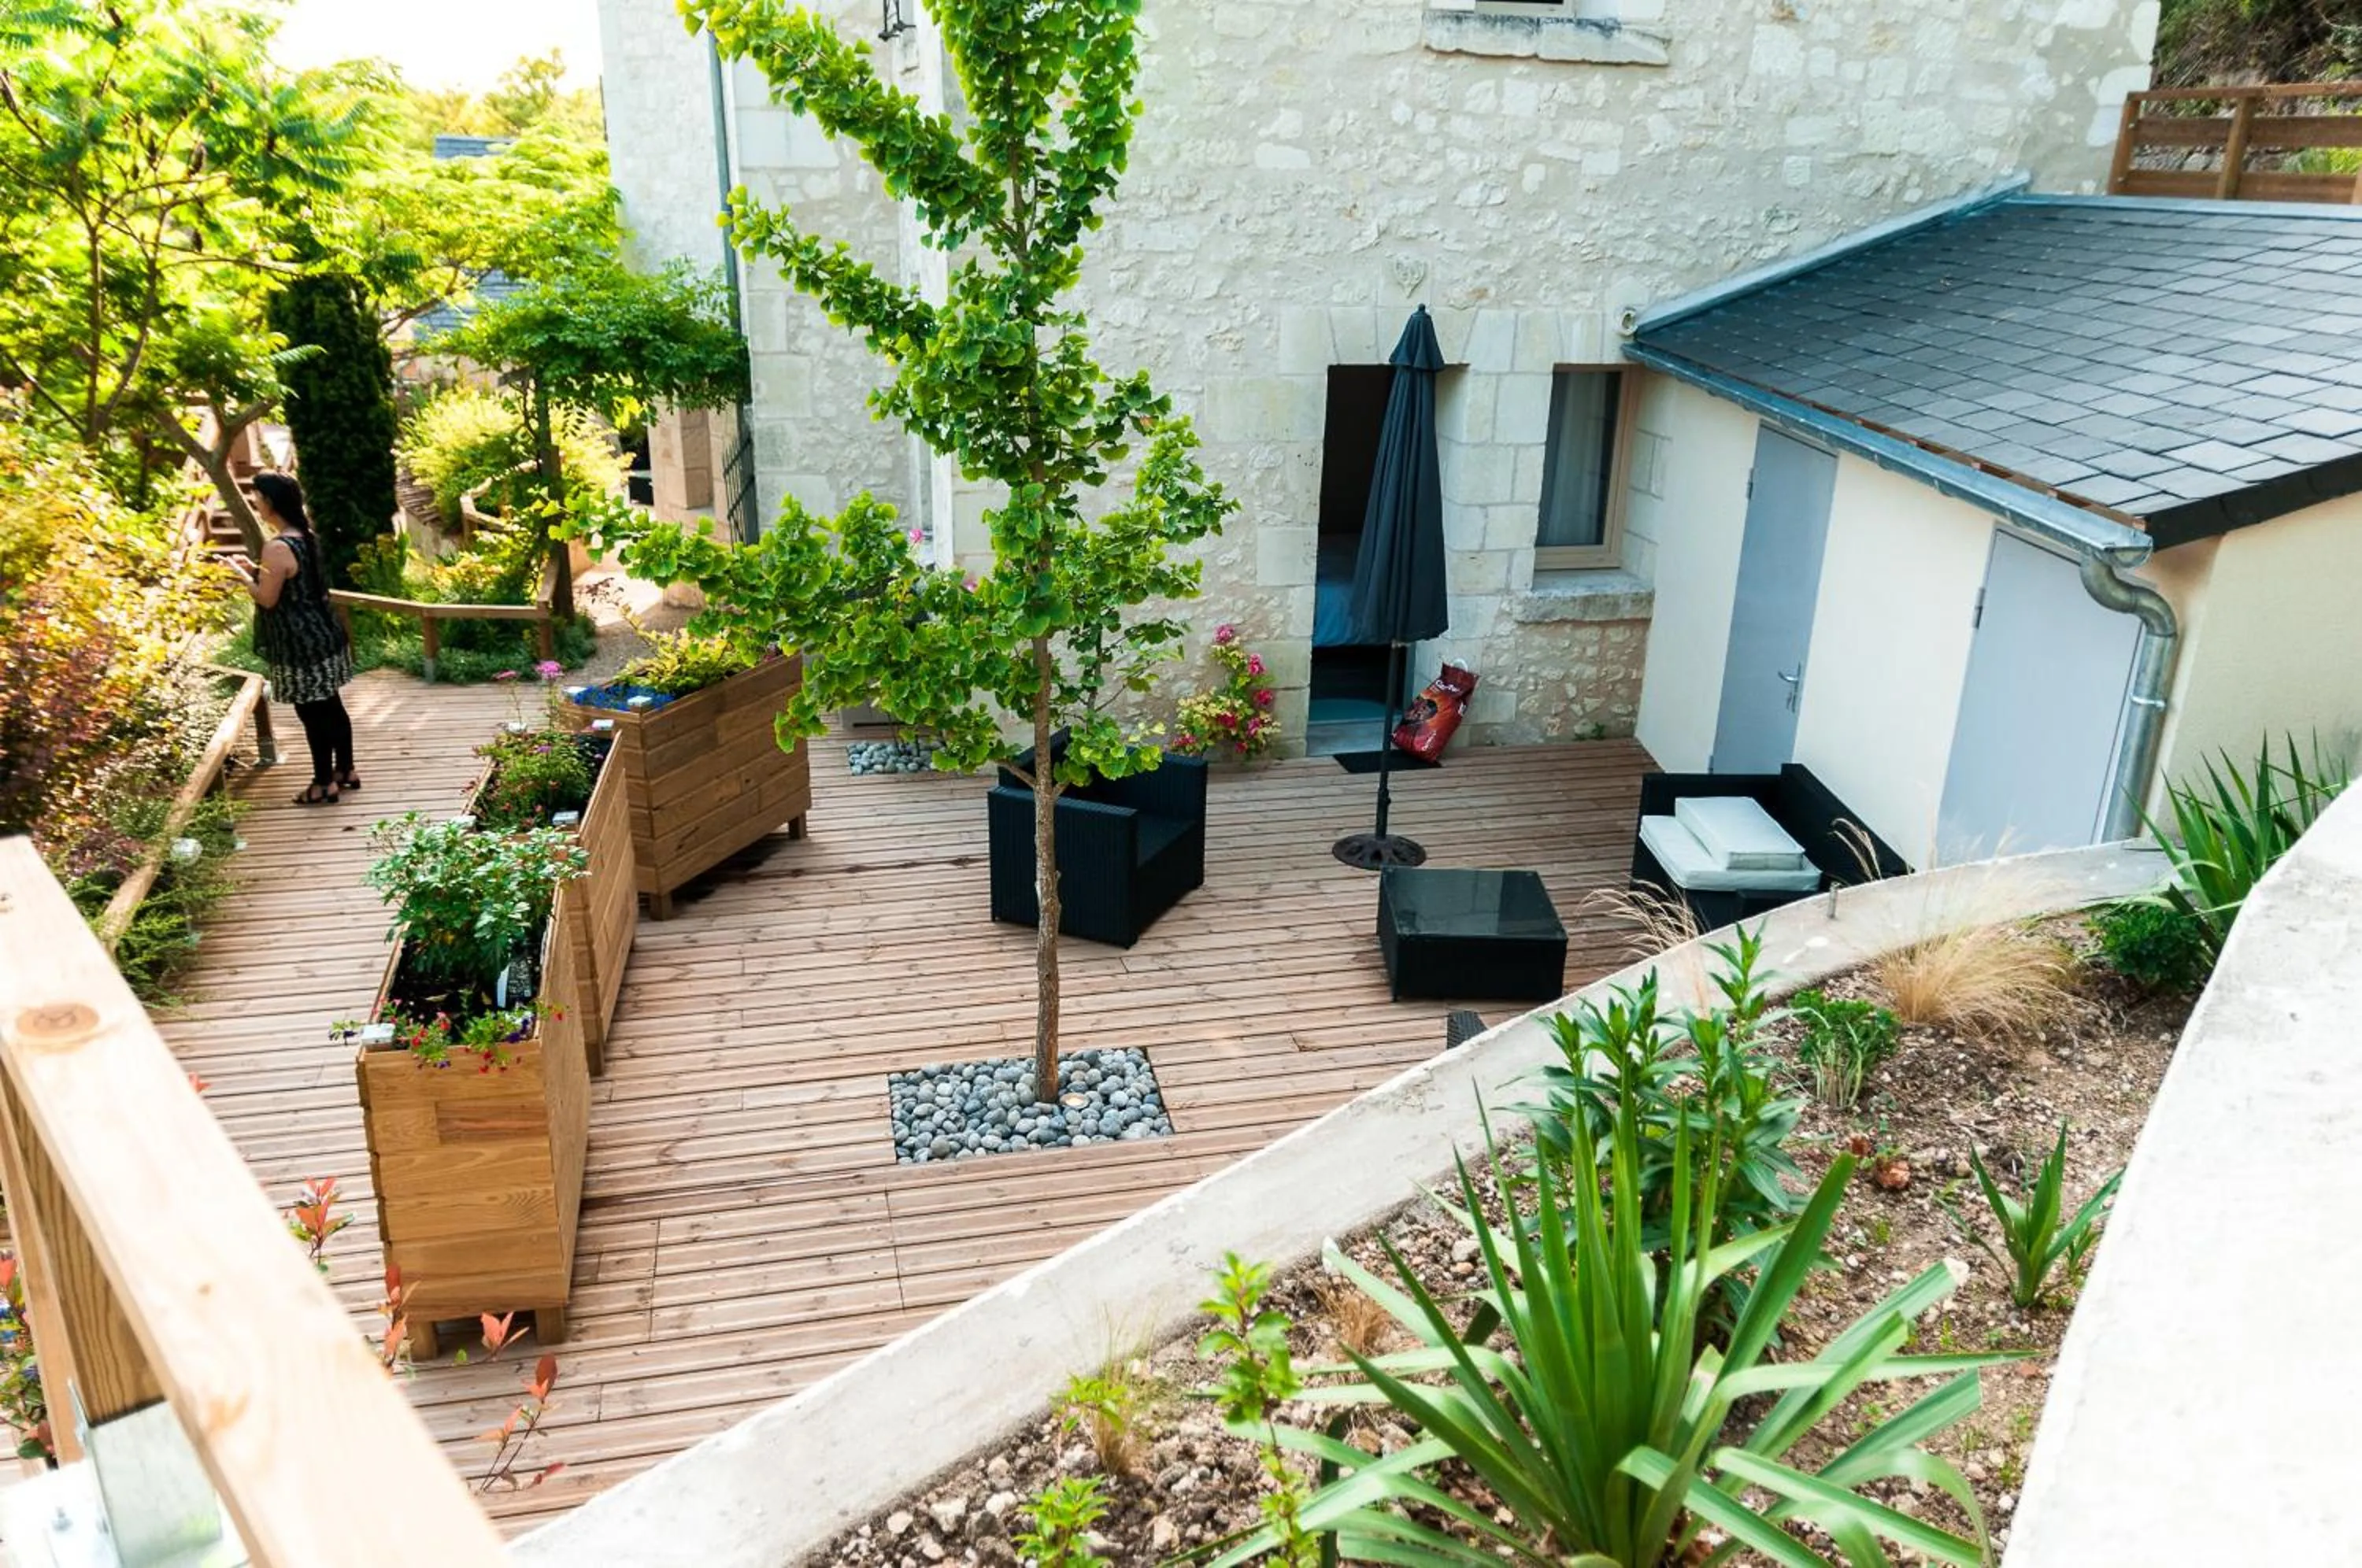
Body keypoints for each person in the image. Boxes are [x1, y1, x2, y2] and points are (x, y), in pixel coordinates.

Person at [229, 472, 359, 805]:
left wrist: (243, 576)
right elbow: (293, 582)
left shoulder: (277, 546)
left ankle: (323, 783)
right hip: (325, 634)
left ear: (270, 502)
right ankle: (345, 770)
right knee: (331, 705)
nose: (255, 502)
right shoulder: (306, 536)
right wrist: (256, 568)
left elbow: (267, 598)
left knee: (312, 713)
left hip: (300, 644)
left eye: (256, 496)